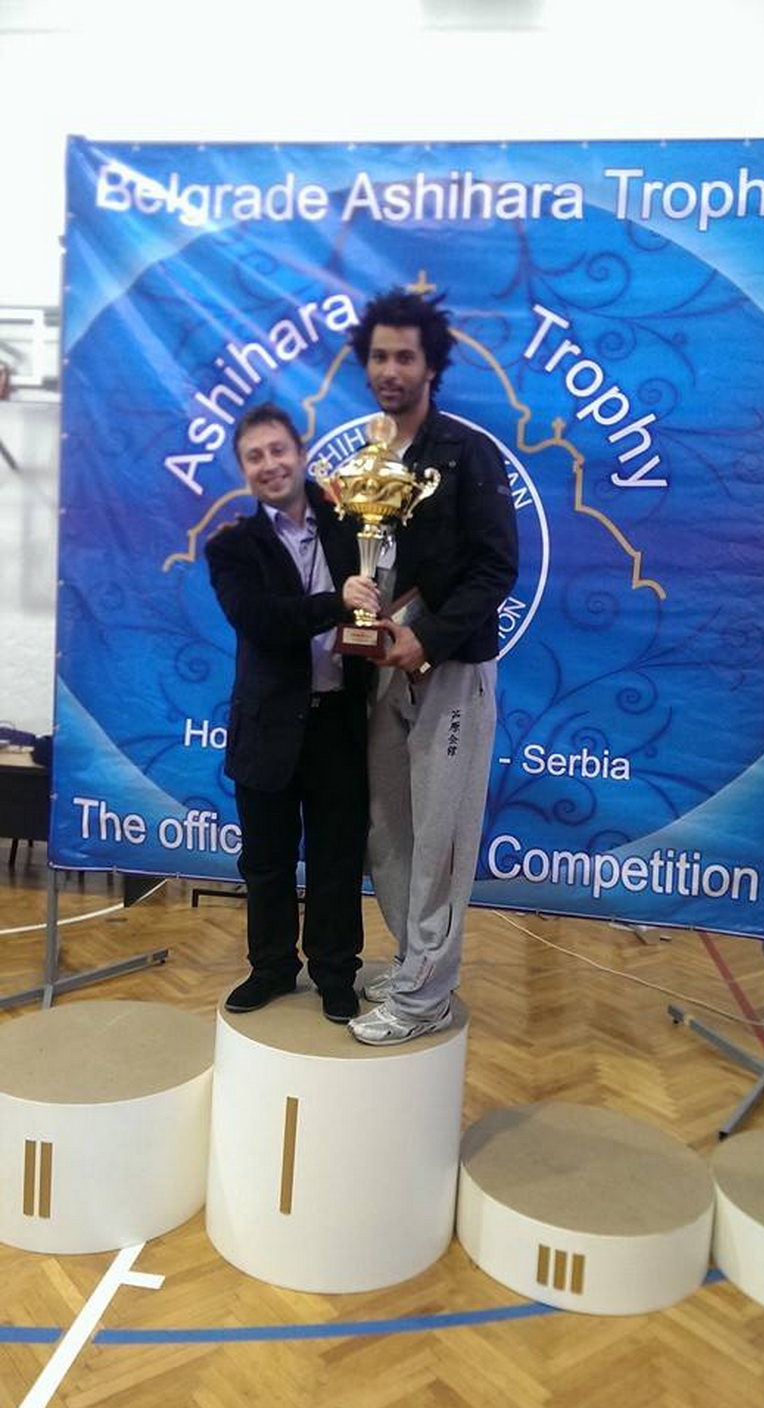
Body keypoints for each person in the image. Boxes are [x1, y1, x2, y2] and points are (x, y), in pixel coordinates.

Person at [347, 288, 519, 1045]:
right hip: (383, 669)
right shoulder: (373, 460)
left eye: (404, 357)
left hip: (449, 669)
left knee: (441, 836)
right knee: (390, 828)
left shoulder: (468, 453)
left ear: (431, 366)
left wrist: (433, 639)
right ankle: (413, 961)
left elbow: (497, 567)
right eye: (379, 356)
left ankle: (427, 999)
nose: (390, 369)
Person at [205, 401, 379, 1021]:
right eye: (255, 457)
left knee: (337, 858)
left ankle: (335, 972)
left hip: (338, 725)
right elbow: (261, 621)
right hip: (267, 728)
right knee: (265, 861)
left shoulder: (354, 525)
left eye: (278, 450)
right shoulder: (231, 548)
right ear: (244, 471)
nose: (270, 464)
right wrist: (337, 602)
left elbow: (383, 602)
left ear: (301, 454)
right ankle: (273, 968)